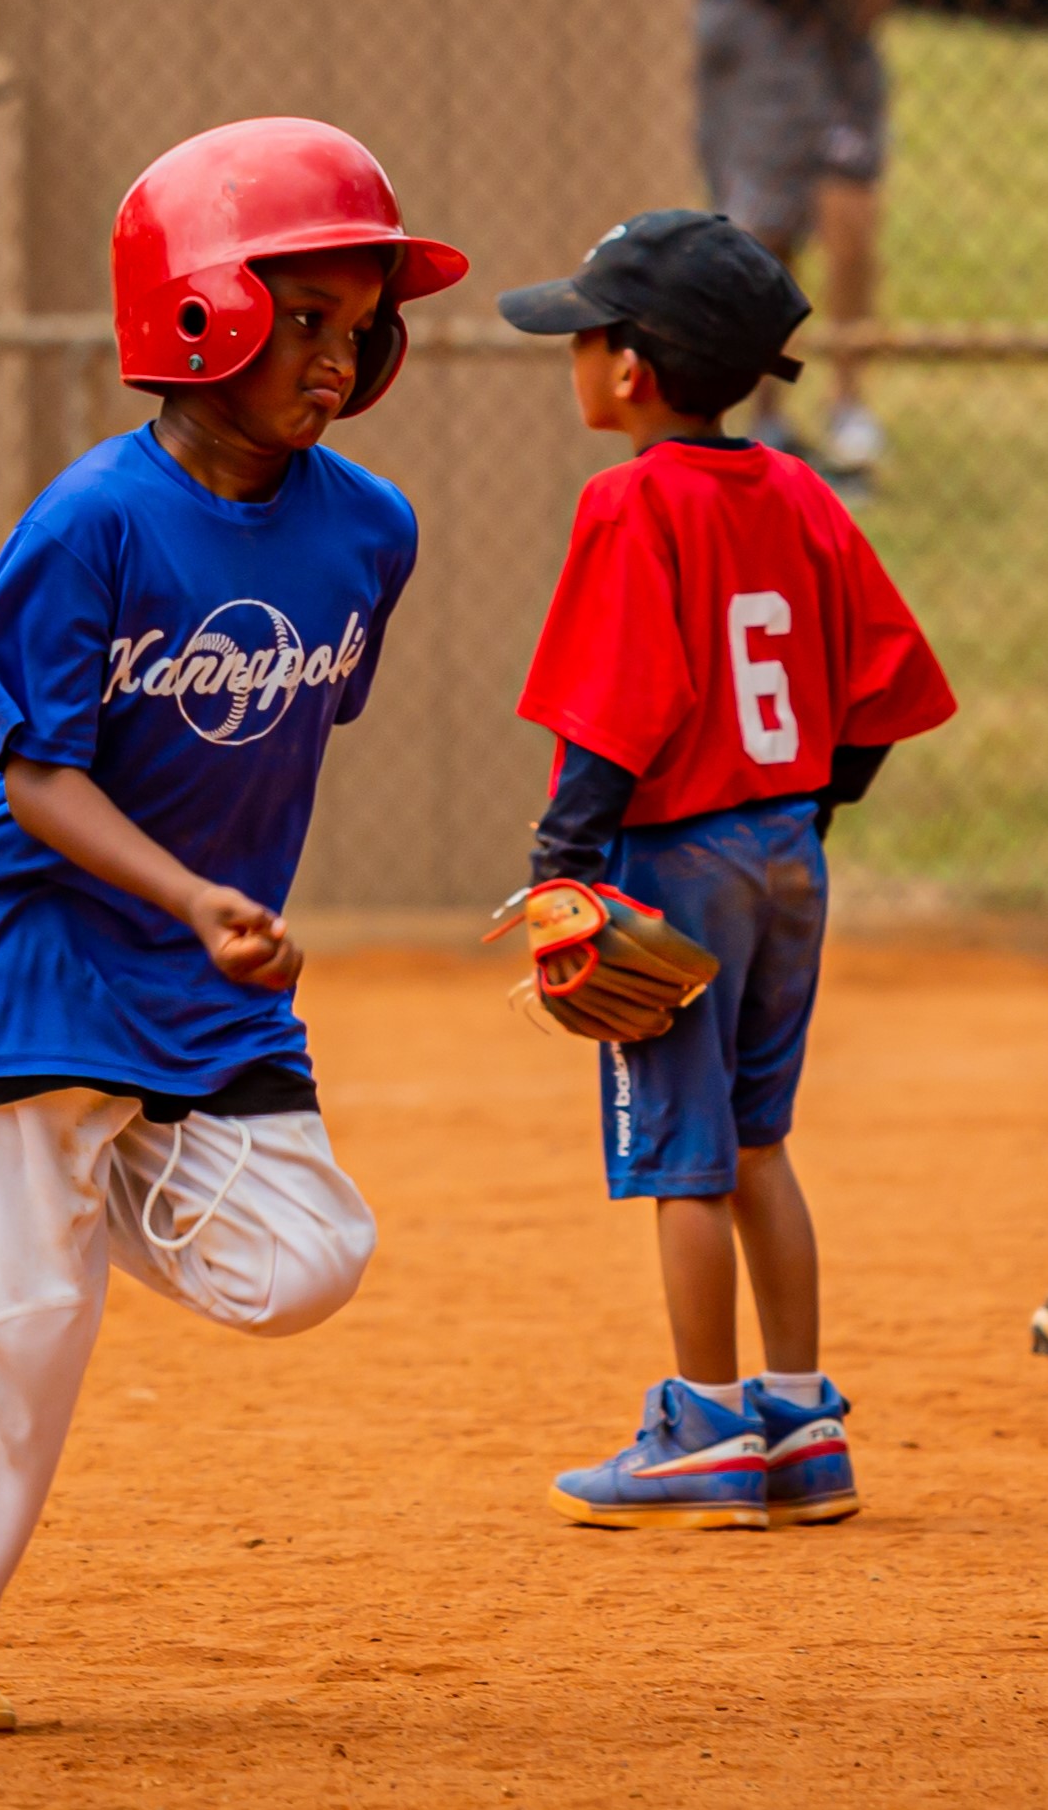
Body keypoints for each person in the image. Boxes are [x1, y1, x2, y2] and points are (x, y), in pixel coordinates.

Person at [0, 119, 467, 1736]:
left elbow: (273, 743)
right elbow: (40, 777)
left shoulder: (368, 529)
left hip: (188, 964)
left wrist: (200, 916)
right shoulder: (91, 523)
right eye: (301, 318)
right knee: (34, 1312)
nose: (340, 356)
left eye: (358, 323)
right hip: (28, 934)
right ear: (196, 317)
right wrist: (188, 893)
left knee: (307, 1259)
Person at [497, 209, 954, 1528]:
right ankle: (802, 1425)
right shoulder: (803, 493)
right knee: (760, 1135)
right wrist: (799, 818)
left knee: (678, 1152)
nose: (572, 357)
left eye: (583, 336)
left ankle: (699, 1429)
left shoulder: (629, 500)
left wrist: (560, 865)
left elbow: (613, 709)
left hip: (676, 858)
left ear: (632, 370)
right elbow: (879, 695)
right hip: (784, 851)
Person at [698, 0, 896, 476]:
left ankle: (849, 410)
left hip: (837, 17)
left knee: (851, 218)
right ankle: (763, 421)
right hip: (759, 6)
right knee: (765, 230)